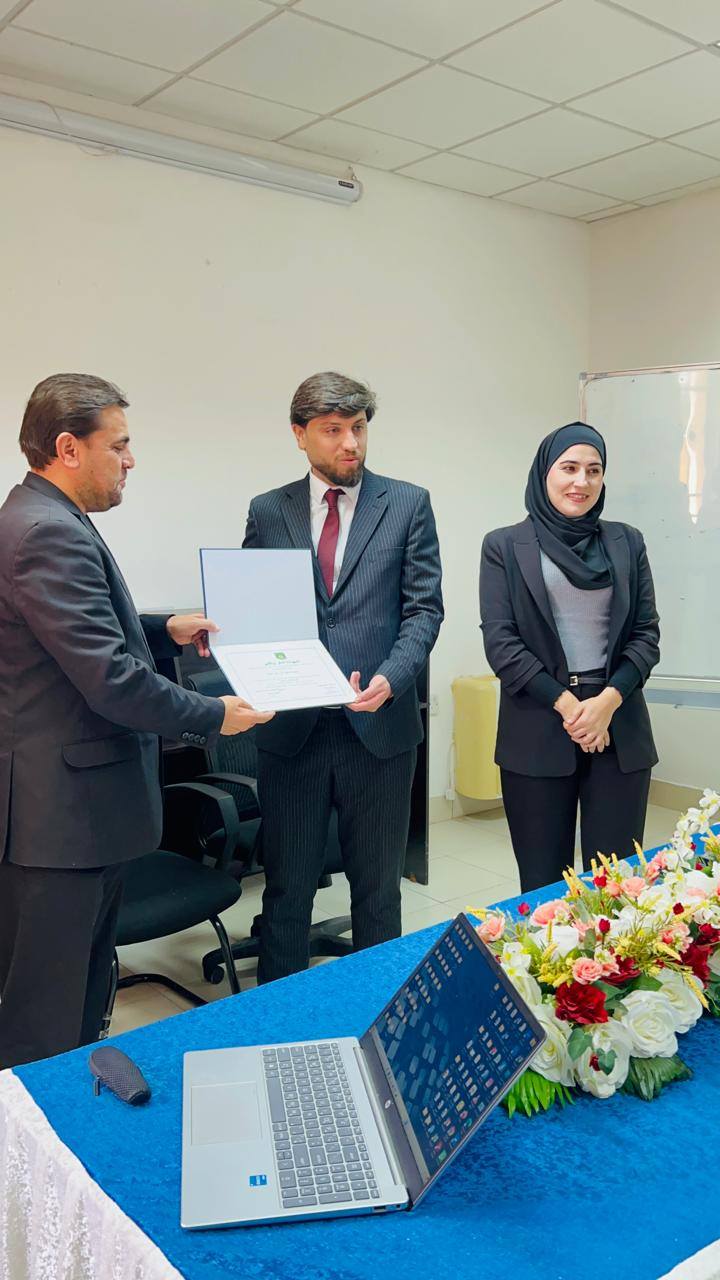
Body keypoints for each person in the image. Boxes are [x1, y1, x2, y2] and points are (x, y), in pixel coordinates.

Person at [0, 372, 273, 1069]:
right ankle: (40, 1133)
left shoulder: (44, 516)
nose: (131, 459)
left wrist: (163, 627)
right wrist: (214, 715)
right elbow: (111, 681)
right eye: (118, 445)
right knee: (46, 1022)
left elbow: (83, 635)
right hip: (60, 825)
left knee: (81, 1000)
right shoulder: (46, 533)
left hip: (76, 818)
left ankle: (73, 1114)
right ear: (68, 447)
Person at [244, 371, 443, 982]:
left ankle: (376, 1010)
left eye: (358, 428)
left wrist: (392, 677)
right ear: (299, 434)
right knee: (287, 892)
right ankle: (280, 1015)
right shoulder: (268, 510)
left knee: (378, 891)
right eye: (333, 430)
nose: (350, 443)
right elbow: (253, 609)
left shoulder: (407, 503)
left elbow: (424, 610)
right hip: (293, 734)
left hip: (378, 731)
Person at [480, 422, 659, 892]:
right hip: (538, 723)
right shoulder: (504, 545)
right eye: (569, 468)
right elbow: (501, 643)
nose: (582, 481)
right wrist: (569, 706)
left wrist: (607, 702)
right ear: (545, 472)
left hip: (618, 723)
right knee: (545, 889)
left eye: (593, 470)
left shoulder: (627, 541)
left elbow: (646, 635)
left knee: (617, 887)